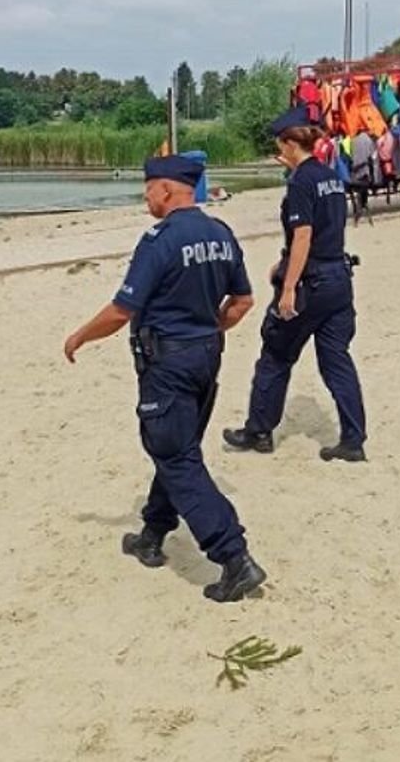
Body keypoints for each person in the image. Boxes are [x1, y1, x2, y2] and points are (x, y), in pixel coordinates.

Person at [63, 154, 266, 603]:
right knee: (176, 449)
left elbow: (122, 310)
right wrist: (207, 333)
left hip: (168, 365)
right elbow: (243, 301)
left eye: (149, 187)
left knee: (176, 457)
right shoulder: (221, 233)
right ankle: (152, 534)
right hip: (206, 357)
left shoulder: (160, 239)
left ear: (169, 190)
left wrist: (79, 336)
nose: (145, 195)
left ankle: (234, 557)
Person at [223, 106, 367, 462]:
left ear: (290, 143)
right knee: (337, 361)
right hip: (337, 278)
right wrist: (286, 262)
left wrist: (288, 286)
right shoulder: (329, 176)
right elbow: (323, 231)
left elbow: (304, 235)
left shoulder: (301, 181)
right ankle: (353, 439)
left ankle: (258, 431)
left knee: (275, 353)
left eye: (280, 144)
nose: (279, 150)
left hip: (311, 283)